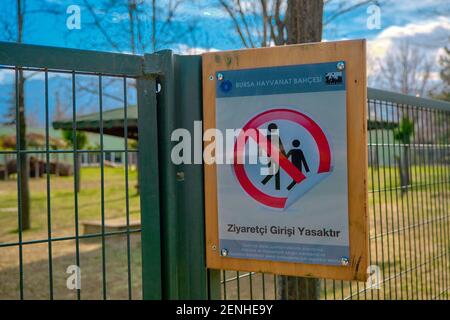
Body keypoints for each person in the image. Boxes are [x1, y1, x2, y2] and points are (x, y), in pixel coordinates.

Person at [261, 123, 286, 190]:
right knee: (275, 172)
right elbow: (281, 147)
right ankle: (264, 183)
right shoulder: (276, 137)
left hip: (270, 157)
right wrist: (285, 156)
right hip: (275, 157)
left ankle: (276, 187)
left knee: (274, 172)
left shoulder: (267, 137)